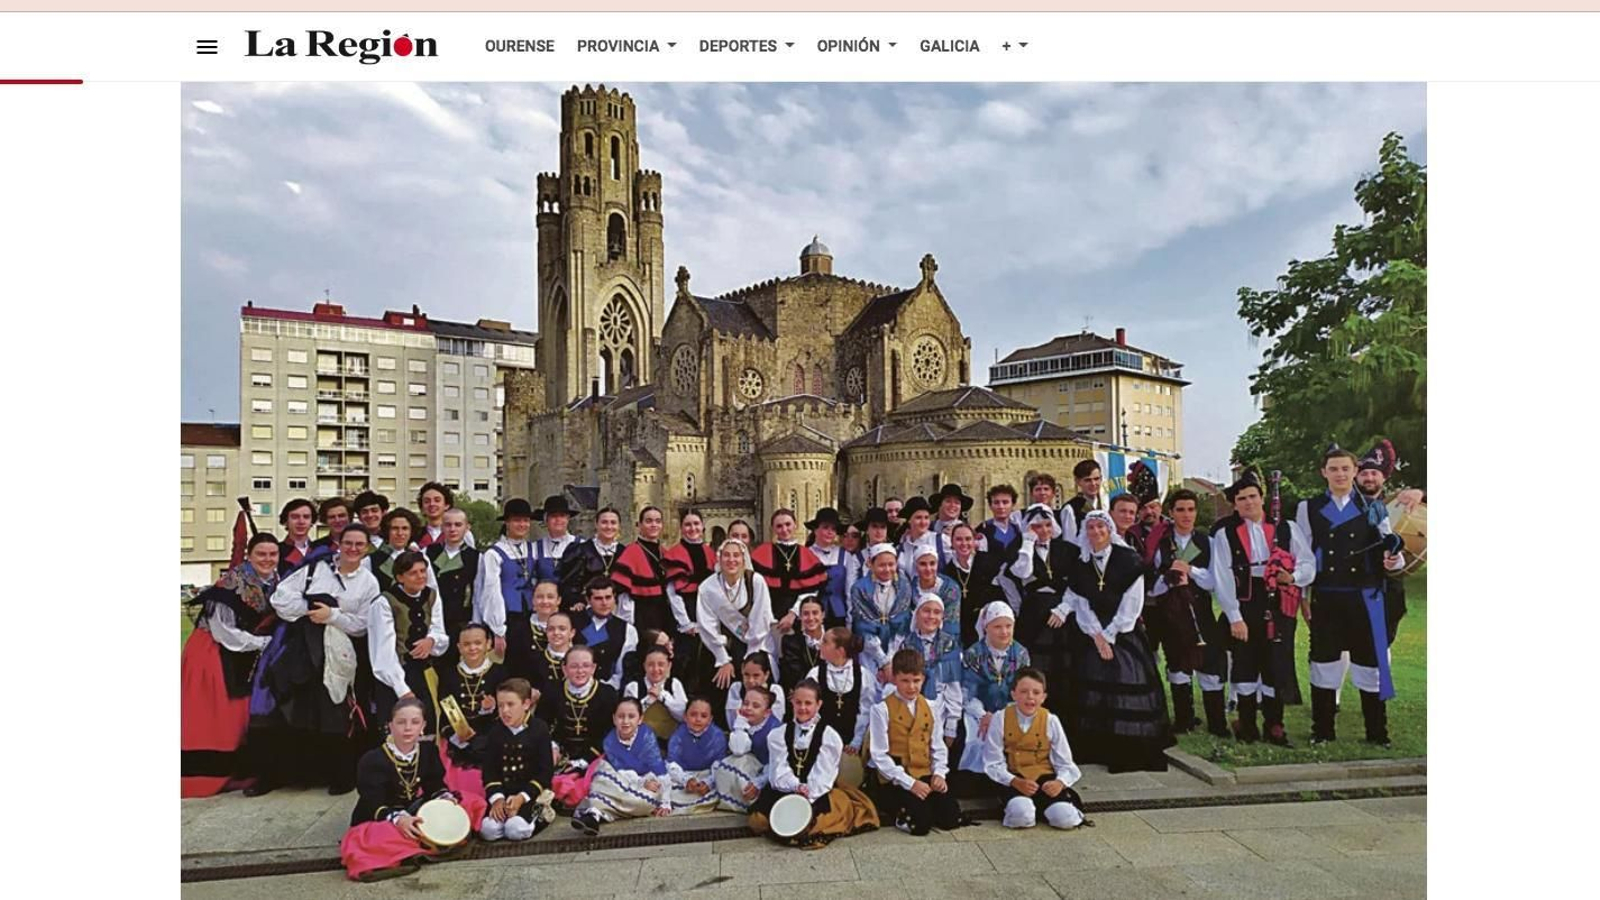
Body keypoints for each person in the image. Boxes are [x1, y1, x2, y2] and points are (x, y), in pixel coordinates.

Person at [254, 523, 380, 796]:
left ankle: (340, 776)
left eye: (359, 544)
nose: (353, 549)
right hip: (302, 647)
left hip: (338, 649)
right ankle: (288, 775)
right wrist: (310, 610)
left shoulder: (368, 582)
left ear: (366, 548)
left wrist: (332, 616)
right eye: (348, 543)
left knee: (335, 712)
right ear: (339, 544)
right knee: (290, 709)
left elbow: (362, 624)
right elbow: (281, 597)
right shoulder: (315, 568)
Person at [1297, 446, 1407, 747]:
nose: (1340, 474)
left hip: (1366, 598)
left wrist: (1392, 560)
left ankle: (1377, 733)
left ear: (1355, 471)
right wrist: (1303, 596)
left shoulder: (1374, 508)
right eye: (1333, 469)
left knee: (1370, 667)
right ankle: (1322, 731)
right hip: (1328, 598)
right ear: (1324, 473)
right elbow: (1304, 557)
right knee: (1324, 665)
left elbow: (1393, 553)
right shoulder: (1308, 508)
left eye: (1345, 469)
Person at [1063, 510, 1173, 772]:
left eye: (1101, 527)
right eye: (1091, 528)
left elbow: (1132, 605)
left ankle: (1127, 749)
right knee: (1091, 685)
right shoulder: (1082, 562)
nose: (1096, 532)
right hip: (1092, 633)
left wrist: (1110, 636)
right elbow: (1081, 602)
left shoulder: (1129, 560)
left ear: (1109, 529)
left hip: (1123, 632)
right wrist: (1096, 636)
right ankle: (1096, 747)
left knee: (1126, 682)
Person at [1211, 473, 1314, 745]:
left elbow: (1308, 563)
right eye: (1241, 499)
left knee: (1275, 663)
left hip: (1278, 603)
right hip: (1245, 603)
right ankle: (1246, 724)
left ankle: (1274, 725)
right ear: (1235, 504)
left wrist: (1292, 578)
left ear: (1262, 498)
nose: (1248, 503)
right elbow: (1221, 576)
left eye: (1252, 496)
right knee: (1244, 664)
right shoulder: (1226, 534)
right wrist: (1234, 616)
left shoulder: (1287, 528)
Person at [339, 697, 483, 882]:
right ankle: (422, 844)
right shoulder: (372, 759)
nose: (408, 728)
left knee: (468, 801)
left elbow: (434, 784)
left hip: (414, 809)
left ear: (423, 725)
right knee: (378, 837)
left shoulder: (428, 750)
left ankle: (417, 844)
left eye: (415, 722)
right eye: (401, 722)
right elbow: (372, 801)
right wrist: (399, 820)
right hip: (381, 817)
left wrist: (444, 798)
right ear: (390, 725)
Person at [181, 532, 281, 797]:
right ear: (249, 555)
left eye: (273, 554)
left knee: (240, 714)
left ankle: (239, 769)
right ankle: (209, 775)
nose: (267, 559)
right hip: (212, 653)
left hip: (242, 653)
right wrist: (265, 643)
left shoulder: (276, 581)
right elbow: (223, 631)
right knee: (216, 716)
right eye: (261, 554)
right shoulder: (230, 583)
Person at [748, 679, 880, 849]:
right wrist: (795, 786)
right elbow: (778, 770)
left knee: (820, 820)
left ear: (818, 705)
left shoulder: (829, 736)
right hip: (787, 789)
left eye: (808, 703)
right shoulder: (778, 735)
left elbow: (825, 773)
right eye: (798, 702)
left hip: (816, 791)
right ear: (792, 703)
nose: (802, 708)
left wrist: (808, 794)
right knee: (758, 820)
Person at [1146, 490, 1228, 736]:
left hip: (1200, 610)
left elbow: (1215, 580)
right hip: (1171, 613)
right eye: (1180, 510)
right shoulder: (1160, 542)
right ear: (1171, 513)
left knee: (1210, 665)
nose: (1186, 515)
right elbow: (1151, 584)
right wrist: (1169, 579)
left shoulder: (1207, 542)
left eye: (1191, 509)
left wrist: (1190, 570)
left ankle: (1217, 723)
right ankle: (1184, 720)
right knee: (1177, 665)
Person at [869, 648, 966, 835]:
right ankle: (903, 811)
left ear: (923, 679)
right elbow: (879, 755)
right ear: (895, 679)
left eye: (916, 681)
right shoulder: (881, 709)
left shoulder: (931, 707)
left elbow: (937, 746)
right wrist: (909, 783)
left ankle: (928, 805)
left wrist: (939, 774)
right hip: (897, 777)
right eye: (905, 681)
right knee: (921, 825)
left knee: (951, 818)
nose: (911, 687)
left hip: (924, 771)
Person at [982, 668, 1084, 830]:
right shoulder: (1000, 718)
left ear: (1043, 697)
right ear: (1014, 694)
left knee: (1064, 819)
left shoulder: (1051, 720)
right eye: (1024, 691)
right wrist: (1014, 781)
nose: (1030, 697)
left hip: (1045, 778)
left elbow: (1065, 763)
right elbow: (992, 762)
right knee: (1021, 815)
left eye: (1036, 692)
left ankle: (1046, 808)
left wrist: (1059, 782)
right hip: (1015, 777)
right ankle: (1025, 808)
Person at [368, 550, 447, 736]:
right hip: (394, 677)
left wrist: (432, 640)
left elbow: (439, 629)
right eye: (413, 573)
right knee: (399, 731)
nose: (420, 576)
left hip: (423, 673)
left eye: (422, 571)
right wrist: (402, 690)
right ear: (400, 577)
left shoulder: (431, 596)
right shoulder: (384, 603)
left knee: (427, 729)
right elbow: (383, 653)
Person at [1009, 503, 1077, 716]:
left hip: (1062, 612)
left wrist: (1064, 608)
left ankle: (1062, 714)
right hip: (1033, 614)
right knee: (1037, 663)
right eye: (1038, 526)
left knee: (1063, 664)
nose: (1044, 531)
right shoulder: (1018, 549)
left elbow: (1078, 583)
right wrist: (1028, 542)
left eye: (1048, 525)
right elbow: (1022, 572)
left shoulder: (1067, 550)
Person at [536, 645, 620, 809]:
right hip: (561, 754)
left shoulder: (607, 693)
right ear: (565, 669)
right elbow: (541, 724)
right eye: (574, 666)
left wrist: (585, 760)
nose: (580, 671)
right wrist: (552, 746)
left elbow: (610, 732)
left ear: (594, 668)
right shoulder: (553, 691)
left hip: (596, 754)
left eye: (585, 666)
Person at [882, 594, 964, 758]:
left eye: (936, 612)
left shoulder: (949, 644)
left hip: (937, 702)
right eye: (926, 611)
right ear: (917, 614)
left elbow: (953, 686)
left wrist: (952, 725)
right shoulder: (905, 642)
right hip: (907, 699)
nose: (931, 616)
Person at [572, 697, 671, 833]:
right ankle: (595, 814)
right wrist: (639, 782)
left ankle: (597, 811)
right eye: (621, 716)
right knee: (602, 770)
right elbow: (620, 772)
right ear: (614, 719)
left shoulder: (647, 736)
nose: (625, 721)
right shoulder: (610, 741)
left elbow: (660, 770)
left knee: (646, 801)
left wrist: (665, 801)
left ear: (640, 719)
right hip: (620, 781)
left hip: (646, 782)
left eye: (631, 716)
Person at [478, 678, 556, 843]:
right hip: (504, 794)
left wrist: (522, 797)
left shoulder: (539, 729)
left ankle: (539, 816)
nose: (505, 711)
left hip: (529, 794)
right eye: (500, 705)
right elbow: (490, 771)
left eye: (510, 704)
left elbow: (545, 772)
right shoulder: (495, 732)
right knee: (488, 830)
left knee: (515, 830)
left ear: (526, 704)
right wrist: (497, 799)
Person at [959, 602, 1032, 774]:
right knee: (976, 739)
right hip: (979, 711)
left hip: (1011, 709)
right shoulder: (974, 654)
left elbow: (1023, 689)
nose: (1004, 632)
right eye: (998, 627)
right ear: (986, 628)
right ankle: (978, 778)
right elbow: (968, 692)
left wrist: (999, 716)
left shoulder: (1021, 654)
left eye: (1008, 626)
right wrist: (984, 715)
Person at [697, 537, 778, 692]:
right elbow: (707, 625)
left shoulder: (756, 581)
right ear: (719, 558)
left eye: (736, 555)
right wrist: (723, 659)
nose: (731, 560)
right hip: (721, 646)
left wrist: (749, 659)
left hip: (754, 644)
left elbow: (761, 619)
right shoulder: (708, 587)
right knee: (720, 682)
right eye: (726, 555)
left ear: (743, 558)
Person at [478, 498, 538, 681]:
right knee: (511, 668)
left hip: (531, 615)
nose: (522, 524)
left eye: (526, 520)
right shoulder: (493, 554)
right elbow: (491, 592)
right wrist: (498, 629)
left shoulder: (532, 548)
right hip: (509, 618)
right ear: (507, 523)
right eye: (517, 520)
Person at [805, 628, 873, 787]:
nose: (820, 645)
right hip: (821, 741)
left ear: (840, 650)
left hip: (850, 745)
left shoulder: (863, 675)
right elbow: (809, 710)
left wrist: (856, 742)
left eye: (825, 642)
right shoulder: (815, 674)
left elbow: (865, 712)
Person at [436, 623, 505, 776]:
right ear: (459, 647)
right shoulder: (449, 675)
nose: (472, 648)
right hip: (460, 741)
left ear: (488, 644)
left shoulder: (500, 673)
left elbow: (508, 711)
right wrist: (464, 739)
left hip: (492, 739)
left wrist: (490, 709)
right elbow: (448, 710)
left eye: (478, 643)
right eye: (467, 644)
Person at [664, 509, 719, 695]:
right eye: (687, 525)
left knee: (707, 663)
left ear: (703, 526)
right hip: (686, 611)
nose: (692, 528)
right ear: (681, 528)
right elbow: (673, 592)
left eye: (696, 524)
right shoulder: (674, 554)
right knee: (685, 663)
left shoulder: (710, 552)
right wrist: (685, 622)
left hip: (708, 613)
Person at [751, 508, 829, 633]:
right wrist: (767, 616)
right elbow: (754, 588)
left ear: (795, 525)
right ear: (773, 528)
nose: (784, 529)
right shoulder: (762, 552)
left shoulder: (806, 554)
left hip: (799, 616)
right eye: (779, 526)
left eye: (788, 524)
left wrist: (793, 614)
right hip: (766, 615)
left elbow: (810, 591)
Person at [848, 542, 916, 675]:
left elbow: (903, 620)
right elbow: (862, 625)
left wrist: (891, 658)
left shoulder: (904, 585)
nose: (887, 569)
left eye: (891, 564)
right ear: (871, 565)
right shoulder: (860, 589)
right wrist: (883, 661)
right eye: (881, 565)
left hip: (897, 647)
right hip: (869, 649)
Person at [713, 684, 781, 812]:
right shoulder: (744, 722)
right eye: (746, 703)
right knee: (728, 763)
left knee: (737, 764)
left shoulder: (774, 731)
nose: (748, 708)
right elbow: (738, 749)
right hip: (751, 764)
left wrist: (759, 782)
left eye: (755, 706)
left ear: (767, 712)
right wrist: (739, 725)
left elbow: (776, 763)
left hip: (768, 772)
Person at [427, 508, 480, 672]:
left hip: (461, 621)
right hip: (434, 621)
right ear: (442, 527)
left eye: (458, 525)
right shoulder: (429, 553)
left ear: (467, 527)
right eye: (448, 525)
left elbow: (479, 595)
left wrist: (476, 625)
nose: (453, 529)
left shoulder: (476, 557)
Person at [944, 522, 1008, 646]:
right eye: (958, 539)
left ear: (974, 541)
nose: (964, 543)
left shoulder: (989, 562)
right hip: (962, 628)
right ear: (951, 543)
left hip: (987, 627)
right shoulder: (948, 571)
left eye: (968, 539)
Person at [665, 697, 728, 815]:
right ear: (685, 716)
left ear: (710, 719)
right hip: (685, 775)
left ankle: (697, 803)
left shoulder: (717, 735)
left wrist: (709, 782)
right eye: (693, 714)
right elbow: (672, 764)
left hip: (708, 774)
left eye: (704, 716)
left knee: (724, 783)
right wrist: (686, 780)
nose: (698, 719)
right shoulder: (678, 734)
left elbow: (719, 764)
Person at [613, 506, 672, 634]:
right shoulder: (630, 552)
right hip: (641, 617)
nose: (654, 525)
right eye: (649, 521)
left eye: (658, 521)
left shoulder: (666, 553)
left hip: (665, 614)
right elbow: (622, 595)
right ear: (639, 525)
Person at [559, 506, 626, 615]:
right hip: (587, 607)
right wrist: (577, 600)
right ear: (596, 524)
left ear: (619, 526)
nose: (609, 527)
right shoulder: (581, 550)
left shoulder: (624, 552)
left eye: (613, 523)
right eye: (604, 522)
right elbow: (571, 583)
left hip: (616, 609)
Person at [574, 576, 637, 689]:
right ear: (588, 600)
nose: (604, 603)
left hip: (608, 690)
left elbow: (622, 671)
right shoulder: (573, 622)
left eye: (608, 597)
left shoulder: (627, 629)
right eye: (598, 598)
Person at [366, 507, 438, 596]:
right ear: (387, 531)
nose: (400, 533)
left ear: (411, 531)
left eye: (405, 528)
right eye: (395, 528)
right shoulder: (371, 560)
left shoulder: (421, 558)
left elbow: (433, 590)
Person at [623, 645, 688, 743]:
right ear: (644, 666)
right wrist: (649, 700)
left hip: (671, 745)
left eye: (661, 664)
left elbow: (684, 716)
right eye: (650, 665)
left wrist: (663, 696)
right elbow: (627, 719)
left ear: (669, 665)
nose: (656, 669)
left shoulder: (674, 684)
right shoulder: (633, 687)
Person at [804, 507, 852, 628]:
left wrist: (850, 617)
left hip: (839, 612)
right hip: (813, 613)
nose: (830, 532)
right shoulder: (806, 554)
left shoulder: (845, 555)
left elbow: (849, 589)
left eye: (833, 529)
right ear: (815, 530)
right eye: (825, 527)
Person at [910, 545, 962, 638]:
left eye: (932, 563)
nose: (928, 569)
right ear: (915, 565)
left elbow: (951, 622)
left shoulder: (950, 588)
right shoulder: (911, 587)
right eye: (923, 564)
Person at [779, 594, 829, 691]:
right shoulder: (790, 642)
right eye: (806, 614)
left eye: (815, 613)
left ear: (823, 615)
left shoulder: (833, 639)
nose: (810, 618)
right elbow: (795, 675)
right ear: (800, 617)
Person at [727, 651, 787, 730]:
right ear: (742, 670)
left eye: (756, 676)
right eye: (746, 675)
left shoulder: (775, 691)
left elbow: (776, 723)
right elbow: (732, 724)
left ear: (766, 675)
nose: (750, 680)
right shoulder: (736, 688)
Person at [531, 494, 580, 584]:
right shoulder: (535, 548)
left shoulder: (581, 545)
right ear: (546, 519)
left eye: (562, 516)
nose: (558, 520)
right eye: (553, 516)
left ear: (568, 519)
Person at [527, 610, 575, 701]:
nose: (556, 633)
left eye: (562, 629)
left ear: (572, 633)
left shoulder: (582, 659)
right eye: (551, 629)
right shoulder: (533, 660)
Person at [895, 497, 942, 581]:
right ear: (909, 520)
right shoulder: (901, 547)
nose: (923, 522)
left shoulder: (941, 541)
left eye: (926, 517)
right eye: (918, 518)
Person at [416, 481, 474, 549]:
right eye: (427, 501)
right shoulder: (415, 534)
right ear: (422, 508)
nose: (432, 504)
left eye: (437, 500)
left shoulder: (462, 533)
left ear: (446, 505)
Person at [844, 507, 891, 587]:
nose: (879, 531)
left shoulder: (895, 554)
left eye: (882, 527)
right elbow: (850, 589)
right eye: (874, 526)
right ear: (867, 529)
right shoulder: (858, 558)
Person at [277, 498, 317, 574]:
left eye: (306, 517)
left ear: (312, 521)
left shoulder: (321, 550)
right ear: (286, 521)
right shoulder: (276, 551)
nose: (301, 522)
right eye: (295, 517)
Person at [1065, 460, 1103, 534]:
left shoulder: (1106, 504)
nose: (1093, 483)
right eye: (1087, 480)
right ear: (1078, 481)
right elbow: (1069, 541)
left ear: (1101, 478)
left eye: (1096, 479)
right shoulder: (1070, 509)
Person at [527, 580, 563, 653]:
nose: (545, 601)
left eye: (550, 597)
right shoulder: (519, 628)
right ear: (533, 600)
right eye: (540, 597)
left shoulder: (571, 624)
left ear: (558, 600)